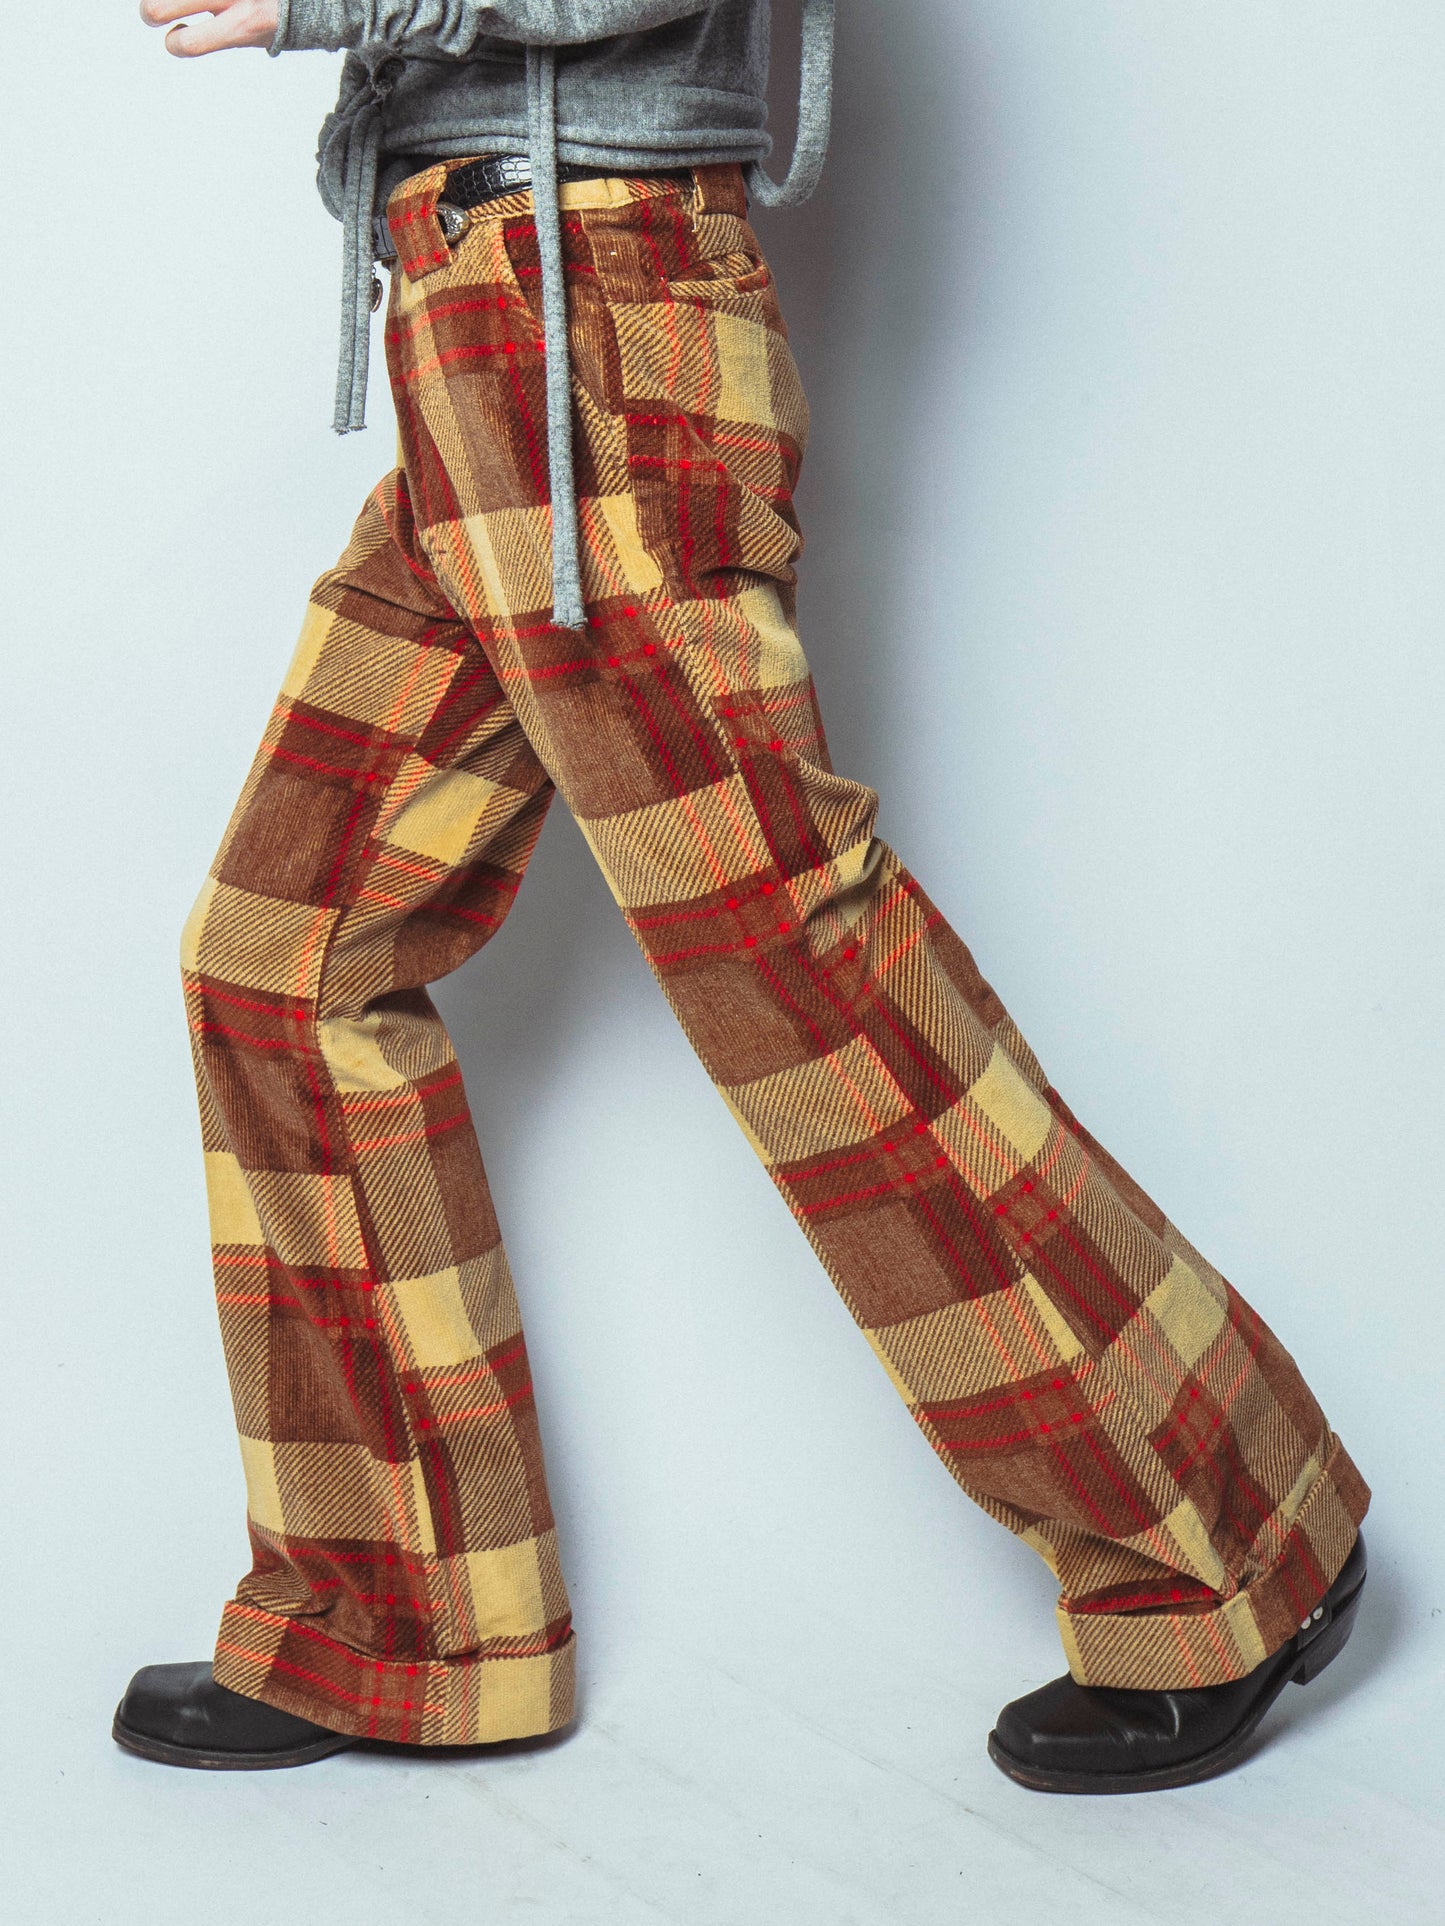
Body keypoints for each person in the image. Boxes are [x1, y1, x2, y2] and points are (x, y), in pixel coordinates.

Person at [114, 0, 1370, 1795]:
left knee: (789, 959)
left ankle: (1237, 1541)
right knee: (281, 958)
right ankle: (408, 1623)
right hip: (483, 325)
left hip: (586, 323)